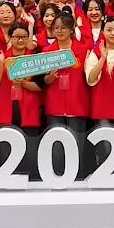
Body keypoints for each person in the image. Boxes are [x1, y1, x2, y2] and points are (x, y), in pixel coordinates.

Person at [0, 24, 44, 180]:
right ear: (10, 38)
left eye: (23, 37)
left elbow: (40, 87)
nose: (20, 40)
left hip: (28, 108)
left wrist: (24, 83)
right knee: (5, 146)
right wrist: (1, 63)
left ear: (28, 38)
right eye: (16, 37)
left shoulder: (34, 60)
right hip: (5, 107)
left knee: (29, 145)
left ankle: (28, 177)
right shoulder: (2, 56)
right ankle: (4, 178)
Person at [41, 12, 90, 179]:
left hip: (78, 103)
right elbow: (43, 81)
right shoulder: (47, 52)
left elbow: (89, 77)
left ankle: (77, 179)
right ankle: (57, 178)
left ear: (71, 29)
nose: (59, 31)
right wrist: (48, 78)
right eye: (56, 28)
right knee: (56, 146)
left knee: (77, 145)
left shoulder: (83, 50)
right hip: (54, 104)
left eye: (63, 27)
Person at [85, 18, 114, 174]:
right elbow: (91, 79)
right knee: (105, 143)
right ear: (102, 32)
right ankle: (105, 174)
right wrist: (103, 58)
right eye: (109, 30)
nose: (113, 33)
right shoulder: (95, 52)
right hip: (101, 104)